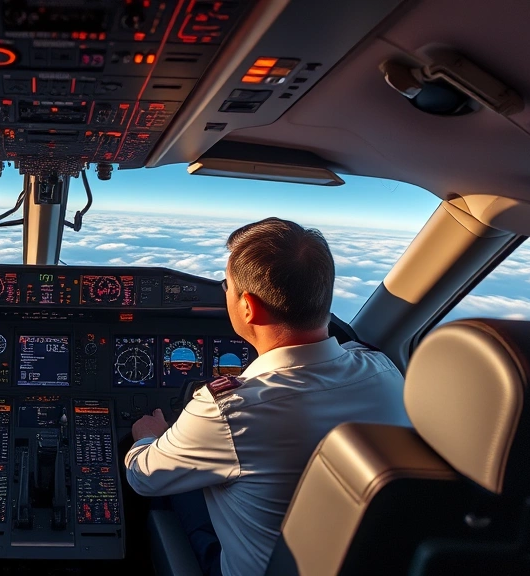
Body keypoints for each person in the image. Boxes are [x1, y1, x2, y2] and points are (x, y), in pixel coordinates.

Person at [124, 218, 410, 576]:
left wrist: (148, 436)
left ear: (249, 308)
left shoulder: (229, 410)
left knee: (171, 491)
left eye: (226, 286)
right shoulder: (384, 370)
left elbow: (144, 477)